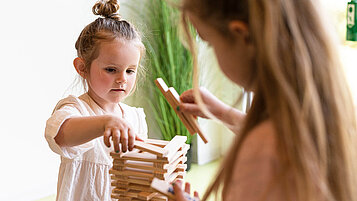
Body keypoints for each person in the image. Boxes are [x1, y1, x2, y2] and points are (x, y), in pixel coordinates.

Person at [173, 0, 357, 201]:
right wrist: (223, 113)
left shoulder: (262, 153)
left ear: (242, 36)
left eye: (210, 42)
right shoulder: (334, 119)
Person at [44, 0, 147, 200]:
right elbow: (61, 136)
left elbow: (139, 174)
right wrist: (105, 122)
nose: (122, 79)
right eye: (111, 69)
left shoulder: (136, 118)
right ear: (82, 68)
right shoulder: (76, 108)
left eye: (130, 70)